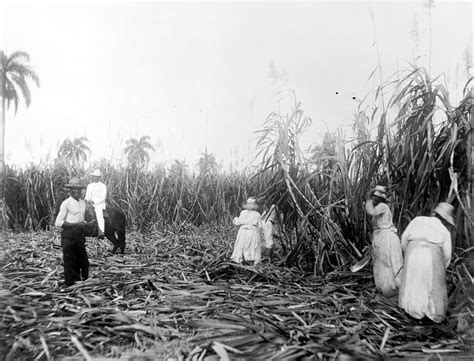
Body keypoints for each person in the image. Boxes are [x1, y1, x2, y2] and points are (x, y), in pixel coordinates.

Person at [398, 202, 455, 323]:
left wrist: (408, 255)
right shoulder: (444, 231)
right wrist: (440, 268)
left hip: (412, 252)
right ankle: (430, 314)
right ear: (445, 220)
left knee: (413, 281)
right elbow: (447, 255)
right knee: (429, 284)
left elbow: (404, 239)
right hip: (432, 256)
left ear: (434, 213)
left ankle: (412, 311)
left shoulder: (418, 220)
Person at [365, 185, 403, 297]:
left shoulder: (382, 206)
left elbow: (371, 212)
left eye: (375, 197)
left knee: (387, 262)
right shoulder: (380, 207)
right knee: (383, 263)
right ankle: (386, 288)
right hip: (382, 237)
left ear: (380, 199)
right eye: (373, 197)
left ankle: (391, 288)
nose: (373, 199)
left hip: (386, 237)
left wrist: (368, 197)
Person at [54, 177, 90, 287]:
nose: (77, 191)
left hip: (79, 234)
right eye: (74, 189)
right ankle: (70, 284)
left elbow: (82, 219)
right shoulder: (66, 203)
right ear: (69, 191)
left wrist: (87, 223)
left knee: (83, 260)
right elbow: (58, 222)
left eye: (79, 189)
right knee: (70, 260)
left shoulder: (82, 203)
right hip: (68, 235)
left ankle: (83, 281)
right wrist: (76, 225)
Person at [230, 197, 263, 266]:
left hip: (243, 231)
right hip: (253, 232)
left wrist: (235, 219)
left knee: (242, 244)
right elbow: (260, 226)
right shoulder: (257, 214)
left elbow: (238, 222)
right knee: (252, 245)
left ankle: (241, 260)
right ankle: (250, 260)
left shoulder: (243, 212)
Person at [85, 169, 107, 239]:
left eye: (97, 177)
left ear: (99, 177)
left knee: (99, 214)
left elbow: (103, 197)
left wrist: (94, 201)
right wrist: (86, 199)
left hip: (99, 204)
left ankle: (101, 231)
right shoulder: (89, 185)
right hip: (89, 203)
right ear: (93, 177)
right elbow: (87, 195)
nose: (96, 178)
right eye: (95, 176)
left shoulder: (103, 186)